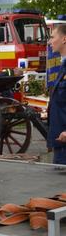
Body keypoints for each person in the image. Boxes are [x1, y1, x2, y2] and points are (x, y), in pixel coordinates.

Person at [47, 24, 66, 165]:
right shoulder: (63, 67)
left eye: (52, 37)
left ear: (64, 39)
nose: (49, 41)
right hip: (60, 142)